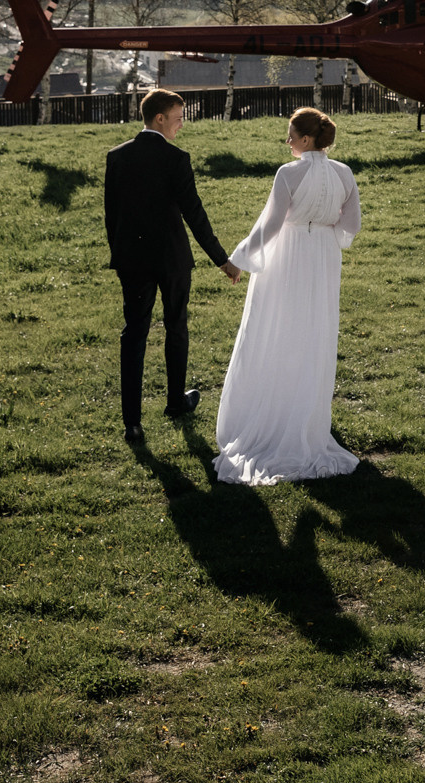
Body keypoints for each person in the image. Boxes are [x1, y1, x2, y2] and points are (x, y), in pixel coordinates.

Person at [212, 106, 363, 485]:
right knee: (315, 330)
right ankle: (308, 416)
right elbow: (351, 224)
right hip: (324, 256)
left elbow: (272, 222)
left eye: (291, 135)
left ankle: (276, 411)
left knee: (278, 327)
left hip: (288, 253)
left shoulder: (288, 173)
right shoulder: (343, 172)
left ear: (306, 139)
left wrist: (238, 260)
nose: (287, 141)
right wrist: (325, 225)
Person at [104, 88, 241, 444]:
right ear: (160, 118)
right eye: (179, 118)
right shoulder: (176, 158)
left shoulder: (117, 156)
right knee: (176, 326)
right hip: (172, 259)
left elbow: (111, 215)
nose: (182, 126)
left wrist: (119, 256)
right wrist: (222, 260)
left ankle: (132, 422)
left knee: (134, 334)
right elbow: (194, 214)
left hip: (131, 260)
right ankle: (175, 402)